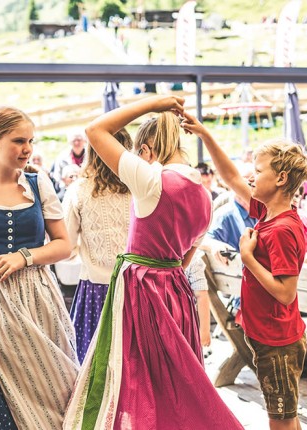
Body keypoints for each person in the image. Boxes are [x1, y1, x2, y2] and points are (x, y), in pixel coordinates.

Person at [64, 96, 241, 429]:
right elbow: (187, 256)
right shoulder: (203, 194)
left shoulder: (151, 181)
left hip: (143, 293)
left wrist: (153, 103)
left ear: (145, 151)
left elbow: (95, 129)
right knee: (178, 387)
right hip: (176, 291)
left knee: (138, 385)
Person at [0, 106, 78, 429]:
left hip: (37, 297)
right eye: (18, 140)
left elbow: (64, 244)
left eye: (30, 141)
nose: (27, 149)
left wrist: (25, 256)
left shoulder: (38, 183)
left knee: (56, 382)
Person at [182, 109, 307, 430]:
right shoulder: (267, 212)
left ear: (281, 179)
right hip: (269, 337)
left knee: (280, 421)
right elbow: (231, 178)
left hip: (278, 342)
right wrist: (206, 135)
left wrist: (247, 257)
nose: (251, 176)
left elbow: (285, 292)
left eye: (259, 170)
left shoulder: (281, 229)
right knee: (285, 416)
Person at [63, 128, 132, 363]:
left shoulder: (79, 191)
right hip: (137, 288)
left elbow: (68, 245)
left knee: (94, 363)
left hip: (96, 289)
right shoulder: (139, 189)